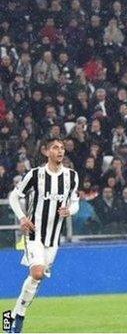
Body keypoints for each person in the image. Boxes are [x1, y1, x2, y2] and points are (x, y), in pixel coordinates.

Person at [7, 137, 80, 333]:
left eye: (62, 148)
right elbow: (13, 196)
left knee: (36, 279)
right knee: (37, 272)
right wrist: (22, 218)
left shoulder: (71, 176)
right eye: (55, 148)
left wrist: (69, 211)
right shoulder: (35, 175)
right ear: (46, 152)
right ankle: (19, 318)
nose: (60, 151)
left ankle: (12, 314)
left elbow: (75, 203)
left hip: (53, 239)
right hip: (34, 235)